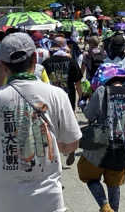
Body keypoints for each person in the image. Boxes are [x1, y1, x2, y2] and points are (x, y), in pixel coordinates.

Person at [0, 32, 81, 212]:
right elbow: (71, 144)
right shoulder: (57, 95)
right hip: (49, 199)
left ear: (2, 65)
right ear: (35, 58)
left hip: (8, 201)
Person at [78, 64, 125, 212]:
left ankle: (104, 206)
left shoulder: (102, 91)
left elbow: (89, 115)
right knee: (114, 183)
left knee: (89, 175)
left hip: (99, 143)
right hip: (121, 145)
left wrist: (83, 103)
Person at [44, 37, 84, 166]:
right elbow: (77, 82)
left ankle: (55, 153)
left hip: (50, 98)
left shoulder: (46, 62)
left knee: (52, 126)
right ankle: (71, 146)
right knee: (70, 124)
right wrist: (81, 97)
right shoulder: (71, 61)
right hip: (68, 97)